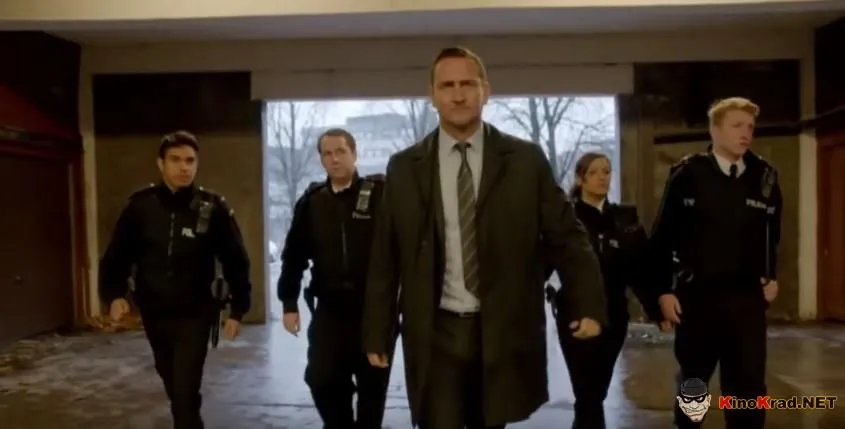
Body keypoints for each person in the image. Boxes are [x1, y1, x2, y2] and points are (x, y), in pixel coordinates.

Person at [362, 46, 607, 429]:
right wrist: (378, 331)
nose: (458, 95)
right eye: (447, 86)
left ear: (486, 91)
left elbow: (567, 237)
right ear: (432, 95)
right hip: (434, 331)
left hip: (502, 329)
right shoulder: (405, 167)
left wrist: (588, 303)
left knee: (490, 422)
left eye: (467, 84)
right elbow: (385, 256)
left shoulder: (525, 161)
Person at [99, 130, 252, 429]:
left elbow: (236, 260)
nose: (184, 167)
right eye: (176, 160)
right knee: (172, 381)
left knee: (184, 389)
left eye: (190, 161)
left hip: (195, 313)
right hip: (154, 312)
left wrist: (238, 309)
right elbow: (117, 255)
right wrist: (114, 294)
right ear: (161, 164)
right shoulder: (140, 207)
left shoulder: (212, 207)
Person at [648, 97, 782, 429]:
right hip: (699, 299)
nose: (745, 133)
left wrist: (770, 276)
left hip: (746, 301)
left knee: (748, 387)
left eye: (750, 127)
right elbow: (662, 239)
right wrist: (663, 292)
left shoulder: (764, 177)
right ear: (715, 130)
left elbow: (772, 235)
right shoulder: (688, 174)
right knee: (694, 383)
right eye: (737, 126)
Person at [277, 128, 393, 429]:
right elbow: (293, 255)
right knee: (321, 379)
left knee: (372, 389)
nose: (334, 159)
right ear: (321, 159)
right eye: (327, 154)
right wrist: (289, 302)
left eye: (341, 151)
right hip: (330, 310)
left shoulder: (380, 194)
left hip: (374, 312)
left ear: (354, 153)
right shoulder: (312, 202)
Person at [549, 152, 662, 429]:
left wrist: (657, 308)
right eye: (594, 172)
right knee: (587, 393)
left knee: (596, 391)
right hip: (576, 315)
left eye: (606, 171)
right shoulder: (565, 219)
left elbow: (640, 269)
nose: (602, 177)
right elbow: (542, 263)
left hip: (614, 317)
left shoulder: (624, 219)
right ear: (580, 179)